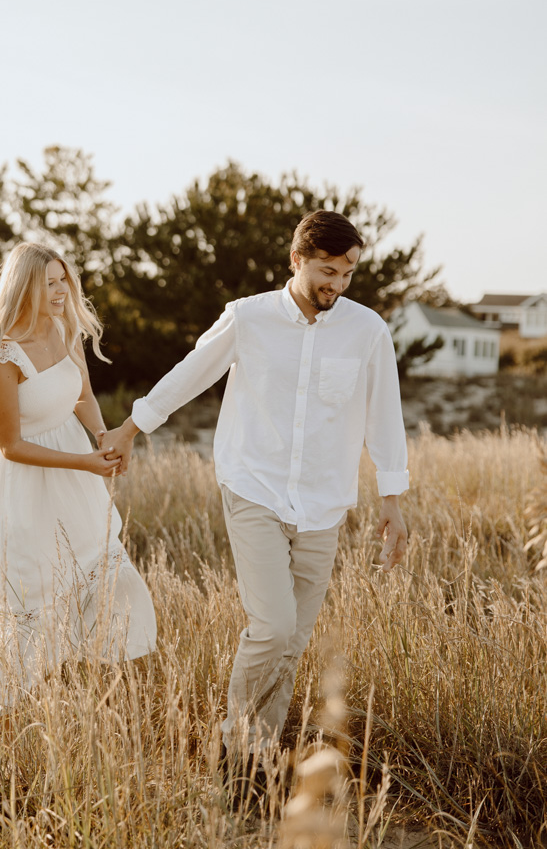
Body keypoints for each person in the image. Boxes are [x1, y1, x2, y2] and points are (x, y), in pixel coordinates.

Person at [101, 210, 408, 785]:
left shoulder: (366, 330)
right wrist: (131, 427)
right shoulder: (248, 317)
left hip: (323, 503)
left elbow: (384, 413)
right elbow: (191, 373)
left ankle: (256, 763)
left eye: (347, 274)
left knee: (292, 641)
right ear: (297, 260)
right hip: (254, 487)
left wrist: (391, 499)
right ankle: (234, 748)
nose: (338, 285)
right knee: (272, 625)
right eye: (327, 271)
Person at [0, 242, 156, 715]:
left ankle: (104, 708)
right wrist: (86, 463)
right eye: (49, 283)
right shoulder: (3, 355)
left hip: (75, 479)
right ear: (23, 287)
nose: (61, 290)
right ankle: (11, 726)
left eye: (63, 279)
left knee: (110, 582)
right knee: (32, 598)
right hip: (26, 486)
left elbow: (82, 395)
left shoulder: (65, 329)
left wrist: (103, 437)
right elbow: (11, 446)